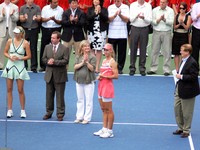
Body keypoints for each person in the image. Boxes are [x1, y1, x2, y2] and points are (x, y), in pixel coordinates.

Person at [1, 26, 31, 118]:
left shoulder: (25, 43)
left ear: (21, 33)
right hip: (10, 66)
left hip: (20, 66)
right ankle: (10, 110)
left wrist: (20, 58)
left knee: (20, 89)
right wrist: (10, 57)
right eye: (15, 32)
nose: (15, 34)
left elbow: (29, 56)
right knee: (9, 89)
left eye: (17, 32)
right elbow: (5, 52)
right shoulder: (10, 41)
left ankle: (22, 110)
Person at [173, 44, 199, 138]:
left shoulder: (192, 62)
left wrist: (181, 77)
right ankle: (180, 127)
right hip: (179, 88)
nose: (180, 52)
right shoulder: (183, 60)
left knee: (187, 112)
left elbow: (194, 76)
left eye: (182, 50)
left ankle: (186, 130)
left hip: (188, 91)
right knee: (177, 109)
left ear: (187, 52)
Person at [42, 31, 69, 121]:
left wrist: (54, 62)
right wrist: (48, 61)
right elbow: (43, 59)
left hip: (60, 76)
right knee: (49, 95)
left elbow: (66, 61)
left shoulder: (65, 48)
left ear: (58, 39)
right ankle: (48, 112)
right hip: (49, 75)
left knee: (60, 96)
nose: (52, 39)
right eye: (51, 38)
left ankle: (60, 114)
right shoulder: (47, 47)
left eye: (53, 38)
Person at [93, 43, 118, 138]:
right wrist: (100, 77)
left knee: (109, 109)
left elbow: (116, 76)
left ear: (111, 50)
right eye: (104, 50)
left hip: (107, 88)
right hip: (101, 87)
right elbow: (103, 73)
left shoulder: (112, 62)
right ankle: (104, 128)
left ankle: (110, 131)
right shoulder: (103, 61)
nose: (105, 51)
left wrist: (105, 76)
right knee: (103, 109)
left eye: (107, 50)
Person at [147, 0, 174, 76]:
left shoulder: (170, 10)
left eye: (163, 2)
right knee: (154, 51)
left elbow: (171, 22)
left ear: (167, 3)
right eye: (161, 2)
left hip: (166, 32)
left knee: (167, 52)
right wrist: (158, 20)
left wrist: (164, 19)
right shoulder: (155, 10)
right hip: (156, 32)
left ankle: (167, 70)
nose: (162, 3)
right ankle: (153, 69)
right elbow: (152, 21)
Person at [73, 40, 96, 124]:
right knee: (80, 99)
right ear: (81, 48)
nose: (87, 48)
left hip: (89, 81)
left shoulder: (93, 57)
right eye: (85, 46)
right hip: (79, 80)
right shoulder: (78, 56)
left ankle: (87, 118)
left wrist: (86, 62)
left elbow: (92, 69)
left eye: (88, 46)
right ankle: (79, 117)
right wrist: (82, 62)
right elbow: (75, 67)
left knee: (89, 100)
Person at [129, 0, 152, 76]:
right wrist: (136, 16)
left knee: (143, 48)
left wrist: (144, 18)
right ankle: (132, 68)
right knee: (133, 48)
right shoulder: (132, 5)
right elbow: (131, 19)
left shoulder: (148, 6)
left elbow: (149, 21)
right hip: (134, 27)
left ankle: (142, 68)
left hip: (144, 28)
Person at [39, 0, 63, 72]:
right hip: (46, 29)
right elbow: (42, 19)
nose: (56, 3)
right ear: (51, 2)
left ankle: (57, 64)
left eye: (57, 2)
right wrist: (50, 18)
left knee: (57, 47)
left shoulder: (60, 9)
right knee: (44, 47)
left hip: (56, 29)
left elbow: (60, 21)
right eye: (55, 2)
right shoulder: (45, 8)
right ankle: (43, 65)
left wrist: (54, 19)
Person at [107, 0, 129, 74]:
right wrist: (115, 15)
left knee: (122, 53)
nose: (117, 1)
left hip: (122, 34)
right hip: (112, 34)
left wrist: (120, 15)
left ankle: (120, 68)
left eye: (118, 0)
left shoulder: (126, 7)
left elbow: (126, 20)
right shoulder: (110, 7)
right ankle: (112, 67)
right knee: (111, 53)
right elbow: (108, 20)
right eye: (116, 0)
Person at [87, 0, 108, 73]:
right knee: (92, 49)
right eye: (94, 0)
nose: (95, 1)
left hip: (101, 31)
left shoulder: (104, 9)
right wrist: (95, 13)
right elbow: (88, 18)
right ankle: (92, 66)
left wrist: (100, 12)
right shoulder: (90, 9)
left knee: (99, 49)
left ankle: (97, 67)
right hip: (92, 31)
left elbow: (106, 19)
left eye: (97, 0)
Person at [19, 0, 41, 73]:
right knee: (23, 48)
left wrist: (36, 18)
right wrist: (24, 18)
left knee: (33, 48)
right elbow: (21, 19)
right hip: (25, 30)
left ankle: (33, 67)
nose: (30, 1)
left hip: (34, 29)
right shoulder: (22, 8)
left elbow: (39, 18)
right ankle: (24, 66)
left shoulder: (37, 7)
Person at [172, 2, 191, 72]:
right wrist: (179, 24)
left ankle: (182, 69)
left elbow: (187, 28)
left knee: (183, 53)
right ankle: (177, 69)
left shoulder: (188, 17)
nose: (181, 10)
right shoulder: (176, 16)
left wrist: (182, 23)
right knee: (176, 53)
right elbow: (174, 27)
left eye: (182, 8)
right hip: (176, 35)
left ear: (185, 9)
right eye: (180, 8)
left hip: (184, 36)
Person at [0, 0, 19, 70]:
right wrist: (3, 15)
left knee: (13, 48)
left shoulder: (15, 7)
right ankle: (0, 65)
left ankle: (13, 65)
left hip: (12, 31)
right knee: (1, 48)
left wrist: (11, 15)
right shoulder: (0, 6)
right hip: (2, 31)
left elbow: (16, 19)